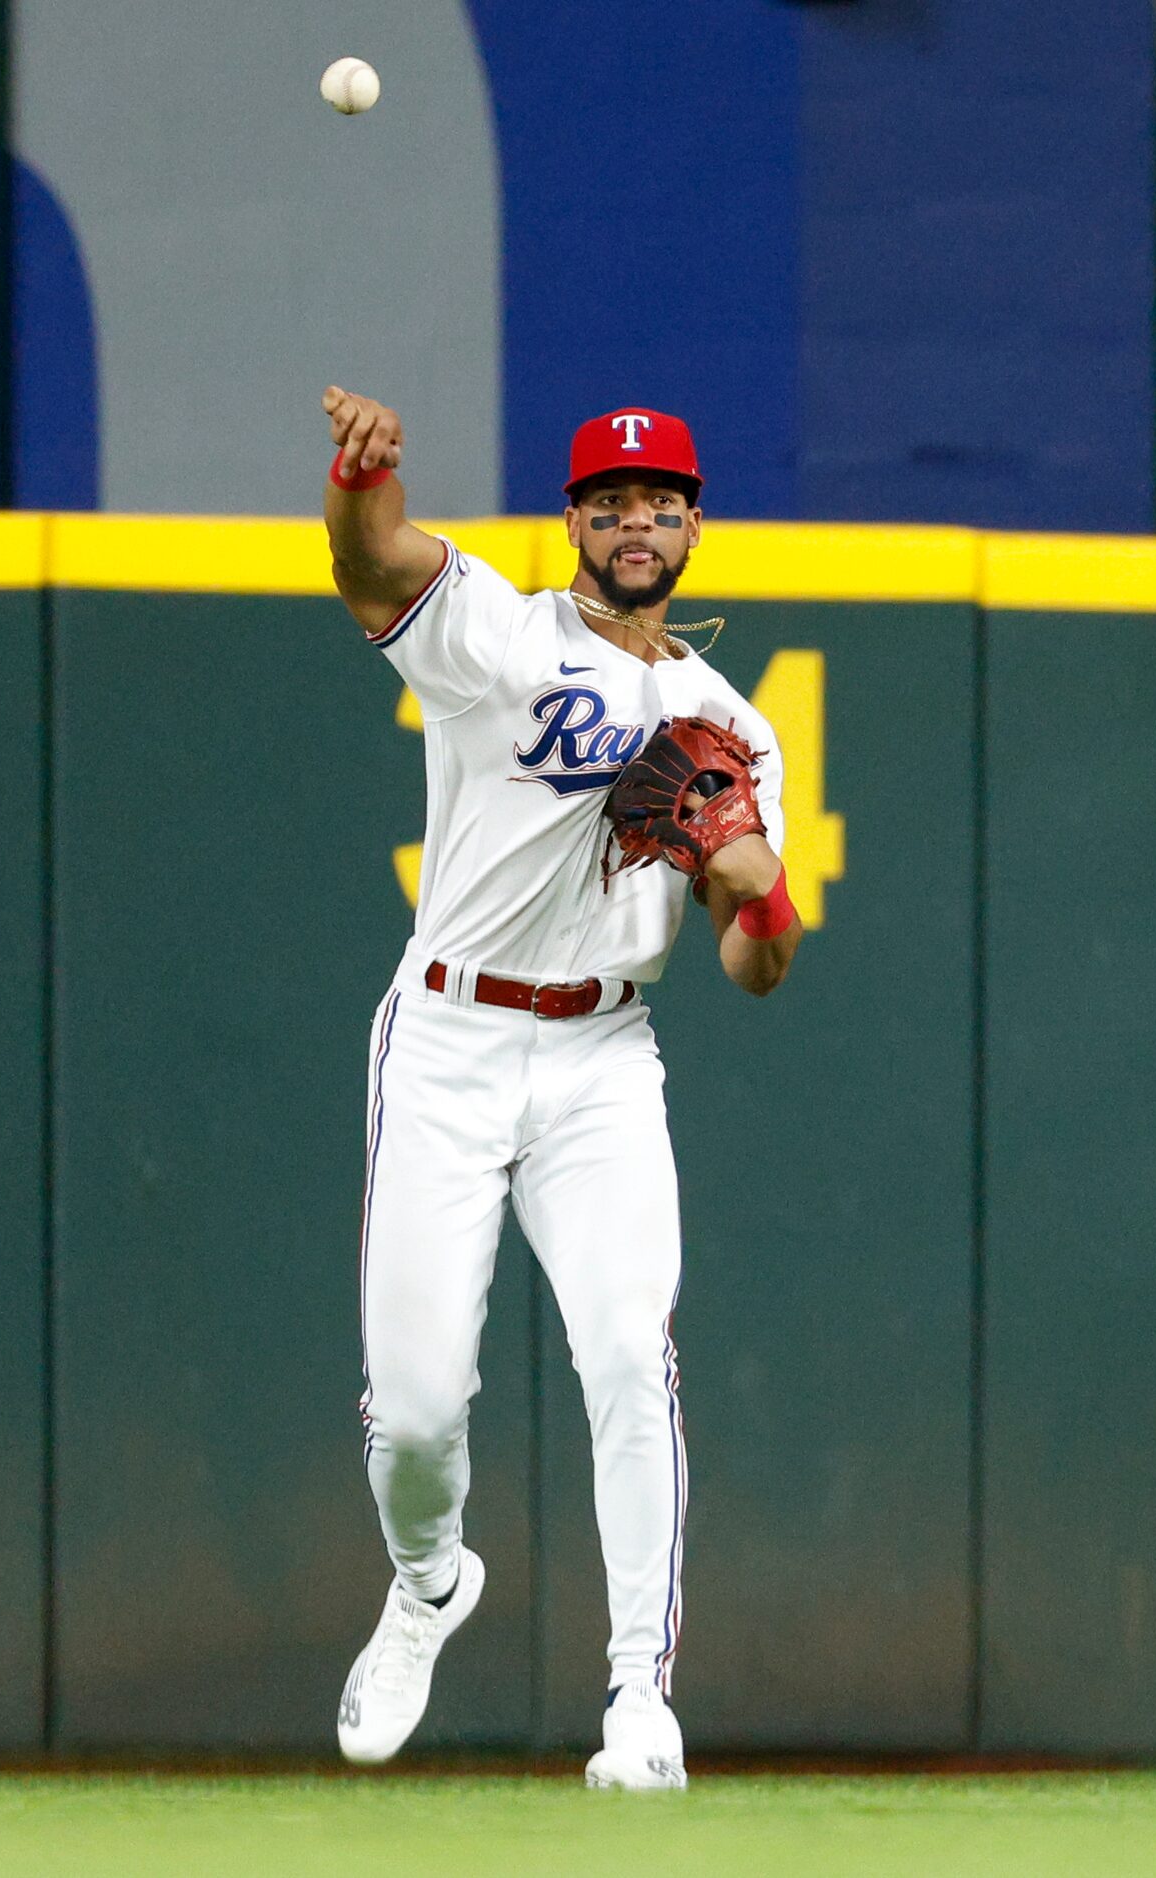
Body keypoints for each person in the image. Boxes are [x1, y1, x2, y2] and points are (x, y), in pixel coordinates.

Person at [318, 385, 803, 1789]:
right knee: (414, 1409)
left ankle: (642, 1704)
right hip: (452, 1035)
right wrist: (360, 482)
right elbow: (372, 562)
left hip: (602, 1054)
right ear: (574, 521)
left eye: (661, 499)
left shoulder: (728, 723)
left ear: (695, 521)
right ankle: (427, 1582)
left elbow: (755, 963)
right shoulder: (500, 635)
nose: (636, 520)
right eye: (610, 500)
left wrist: (760, 897)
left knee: (627, 1356)